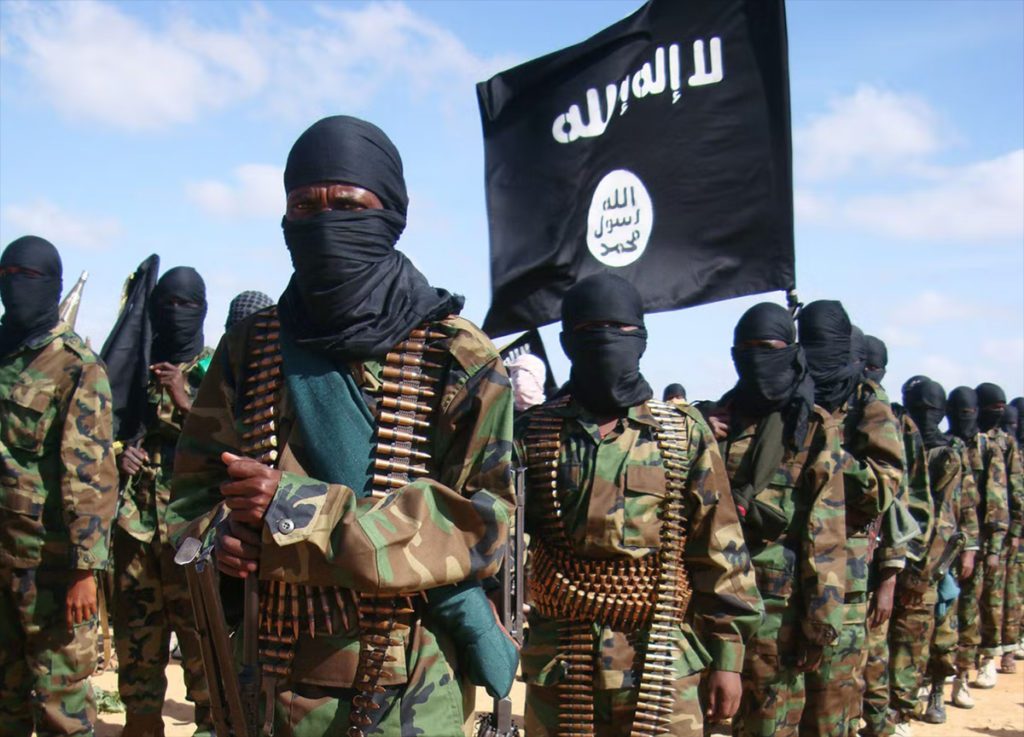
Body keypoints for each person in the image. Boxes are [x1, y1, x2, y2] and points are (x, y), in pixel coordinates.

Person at [167, 115, 517, 737]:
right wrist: (220, 538)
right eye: (304, 206)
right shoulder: (251, 349)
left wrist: (302, 511)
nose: (325, 221)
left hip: (406, 681)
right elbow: (195, 493)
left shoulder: (453, 355)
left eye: (349, 204)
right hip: (265, 673)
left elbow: (482, 524)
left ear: (391, 213)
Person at [516, 273, 761, 737]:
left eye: (622, 330)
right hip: (562, 659)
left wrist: (729, 658)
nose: (607, 341)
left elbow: (720, 548)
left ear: (642, 338)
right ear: (567, 343)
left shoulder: (682, 433)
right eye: (590, 332)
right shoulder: (536, 432)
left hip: (659, 658)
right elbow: (497, 536)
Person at [707, 303, 846, 737]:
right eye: (745, 349)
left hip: (777, 622)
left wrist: (820, 624)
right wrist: (700, 435)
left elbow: (826, 534)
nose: (755, 358)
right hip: (709, 613)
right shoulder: (714, 420)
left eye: (767, 347)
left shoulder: (811, 429)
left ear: (790, 350)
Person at [0, 236, 118, 736]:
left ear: (52, 284)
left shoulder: (75, 366)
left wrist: (85, 570)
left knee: (60, 703)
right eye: (6, 277)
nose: (15, 288)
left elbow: (90, 476)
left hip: (49, 566)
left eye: (27, 277)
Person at [113, 266, 213, 737]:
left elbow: (236, 442)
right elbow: (101, 430)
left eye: (187, 305)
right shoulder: (135, 369)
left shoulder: (218, 368)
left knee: (206, 657)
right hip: (135, 534)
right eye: (168, 304)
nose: (177, 314)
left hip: (193, 538)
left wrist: (184, 398)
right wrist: (120, 452)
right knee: (138, 653)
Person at [796, 301, 904, 737]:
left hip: (846, 582)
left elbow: (885, 487)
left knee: (832, 708)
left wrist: (831, 456)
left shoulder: (868, 404)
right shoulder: (789, 388)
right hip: (783, 579)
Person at [887, 378, 977, 733]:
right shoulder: (899, 443)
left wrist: (925, 570)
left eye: (931, 409)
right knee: (900, 637)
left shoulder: (948, 455)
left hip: (933, 562)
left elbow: (948, 517)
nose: (925, 415)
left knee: (928, 635)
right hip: (898, 557)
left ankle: (920, 700)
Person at [859, 336, 932, 737]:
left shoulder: (895, 424)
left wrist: (890, 576)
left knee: (872, 655)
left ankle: (880, 723)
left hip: (875, 566)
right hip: (829, 568)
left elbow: (905, 506)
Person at [946, 385, 1007, 706]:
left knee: (970, 612)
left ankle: (964, 676)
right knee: (942, 615)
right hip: (943, 547)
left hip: (975, 545)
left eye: (970, 411)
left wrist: (992, 547)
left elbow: (996, 502)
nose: (965, 418)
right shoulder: (943, 444)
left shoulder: (989, 449)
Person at [975, 383, 1023, 678]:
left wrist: (1014, 531)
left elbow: (1014, 492)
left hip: (999, 532)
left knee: (999, 595)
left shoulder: (1005, 444)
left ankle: (998, 653)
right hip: (969, 533)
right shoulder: (968, 440)